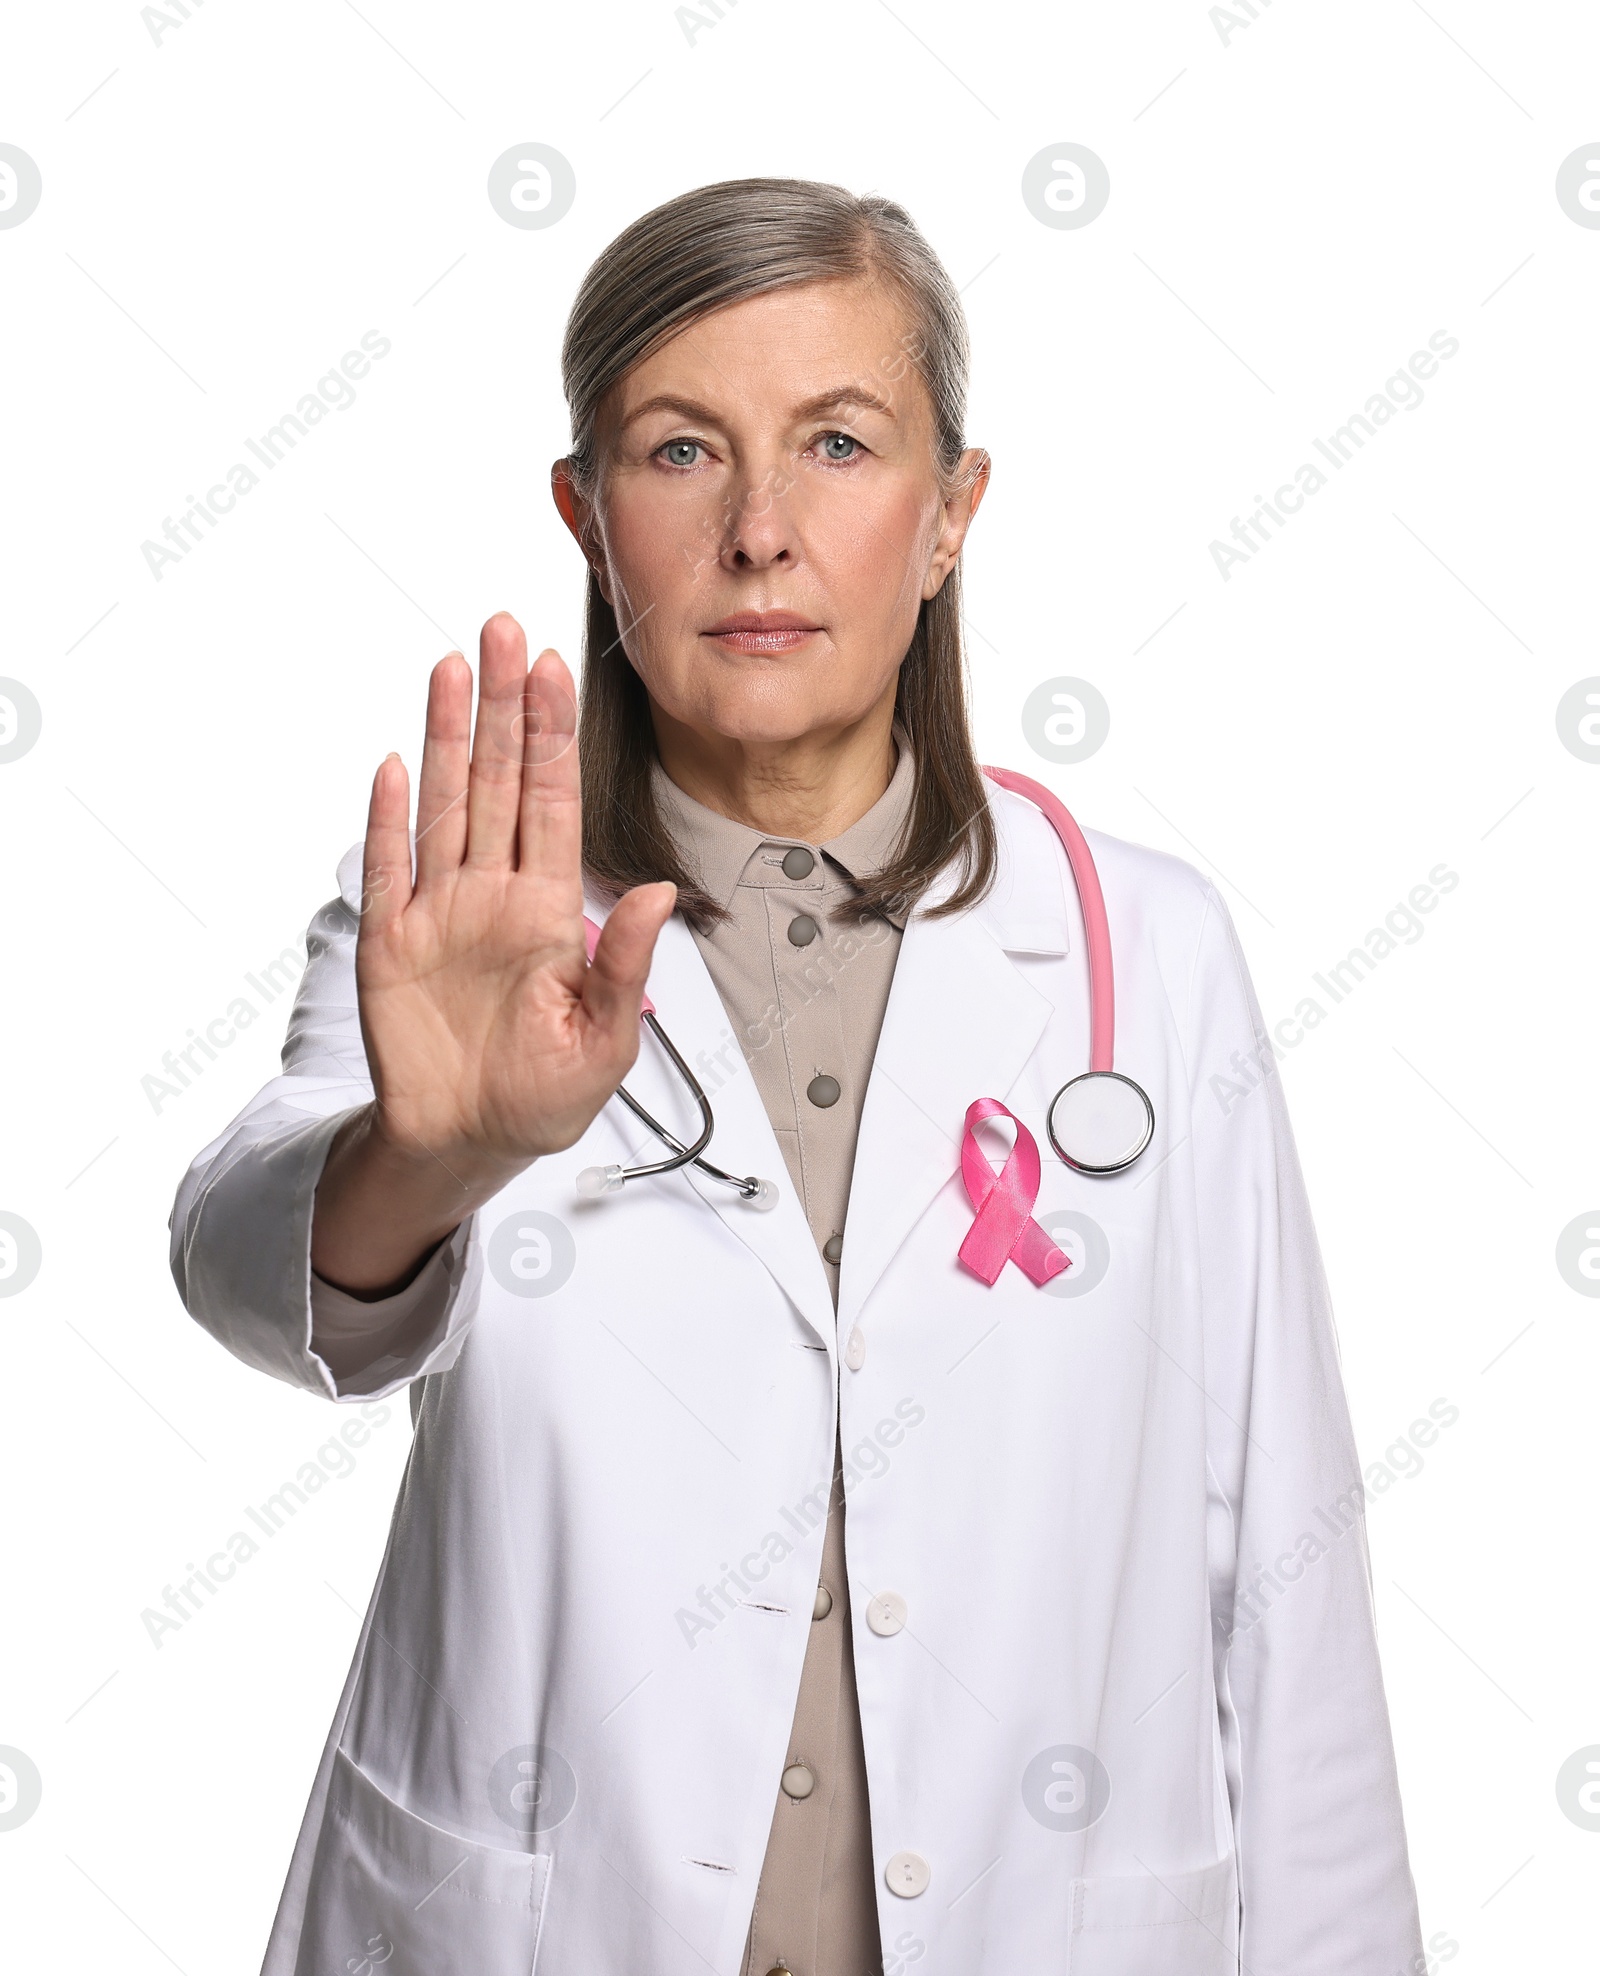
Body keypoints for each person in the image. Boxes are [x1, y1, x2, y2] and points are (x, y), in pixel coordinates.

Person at [169, 177, 1426, 1975]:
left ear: (949, 518)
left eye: (839, 444)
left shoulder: (1151, 954)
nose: (762, 530)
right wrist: (423, 1158)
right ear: (589, 518)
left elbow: (1281, 1559)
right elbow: (236, 1261)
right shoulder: (467, 928)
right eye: (682, 454)